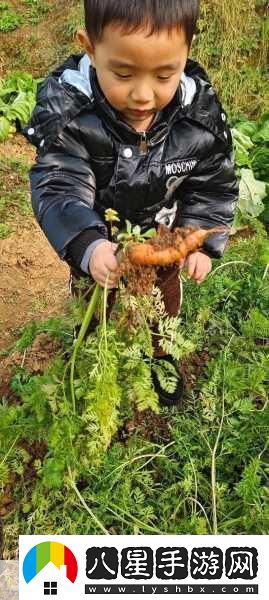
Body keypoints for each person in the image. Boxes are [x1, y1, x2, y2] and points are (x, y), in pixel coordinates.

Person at [23, 0, 239, 406]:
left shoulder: (199, 115)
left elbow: (212, 185)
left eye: (164, 74)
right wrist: (88, 244)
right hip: (102, 242)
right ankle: (92, 357)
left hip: (163, 240)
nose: (143, 95)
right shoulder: (71, 113)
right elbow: (59, 185)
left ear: (187, 53)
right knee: (94, 303)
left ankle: (160, 355)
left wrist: (202, 243)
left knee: (164, 303)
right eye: (122, 73)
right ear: (90, 48)